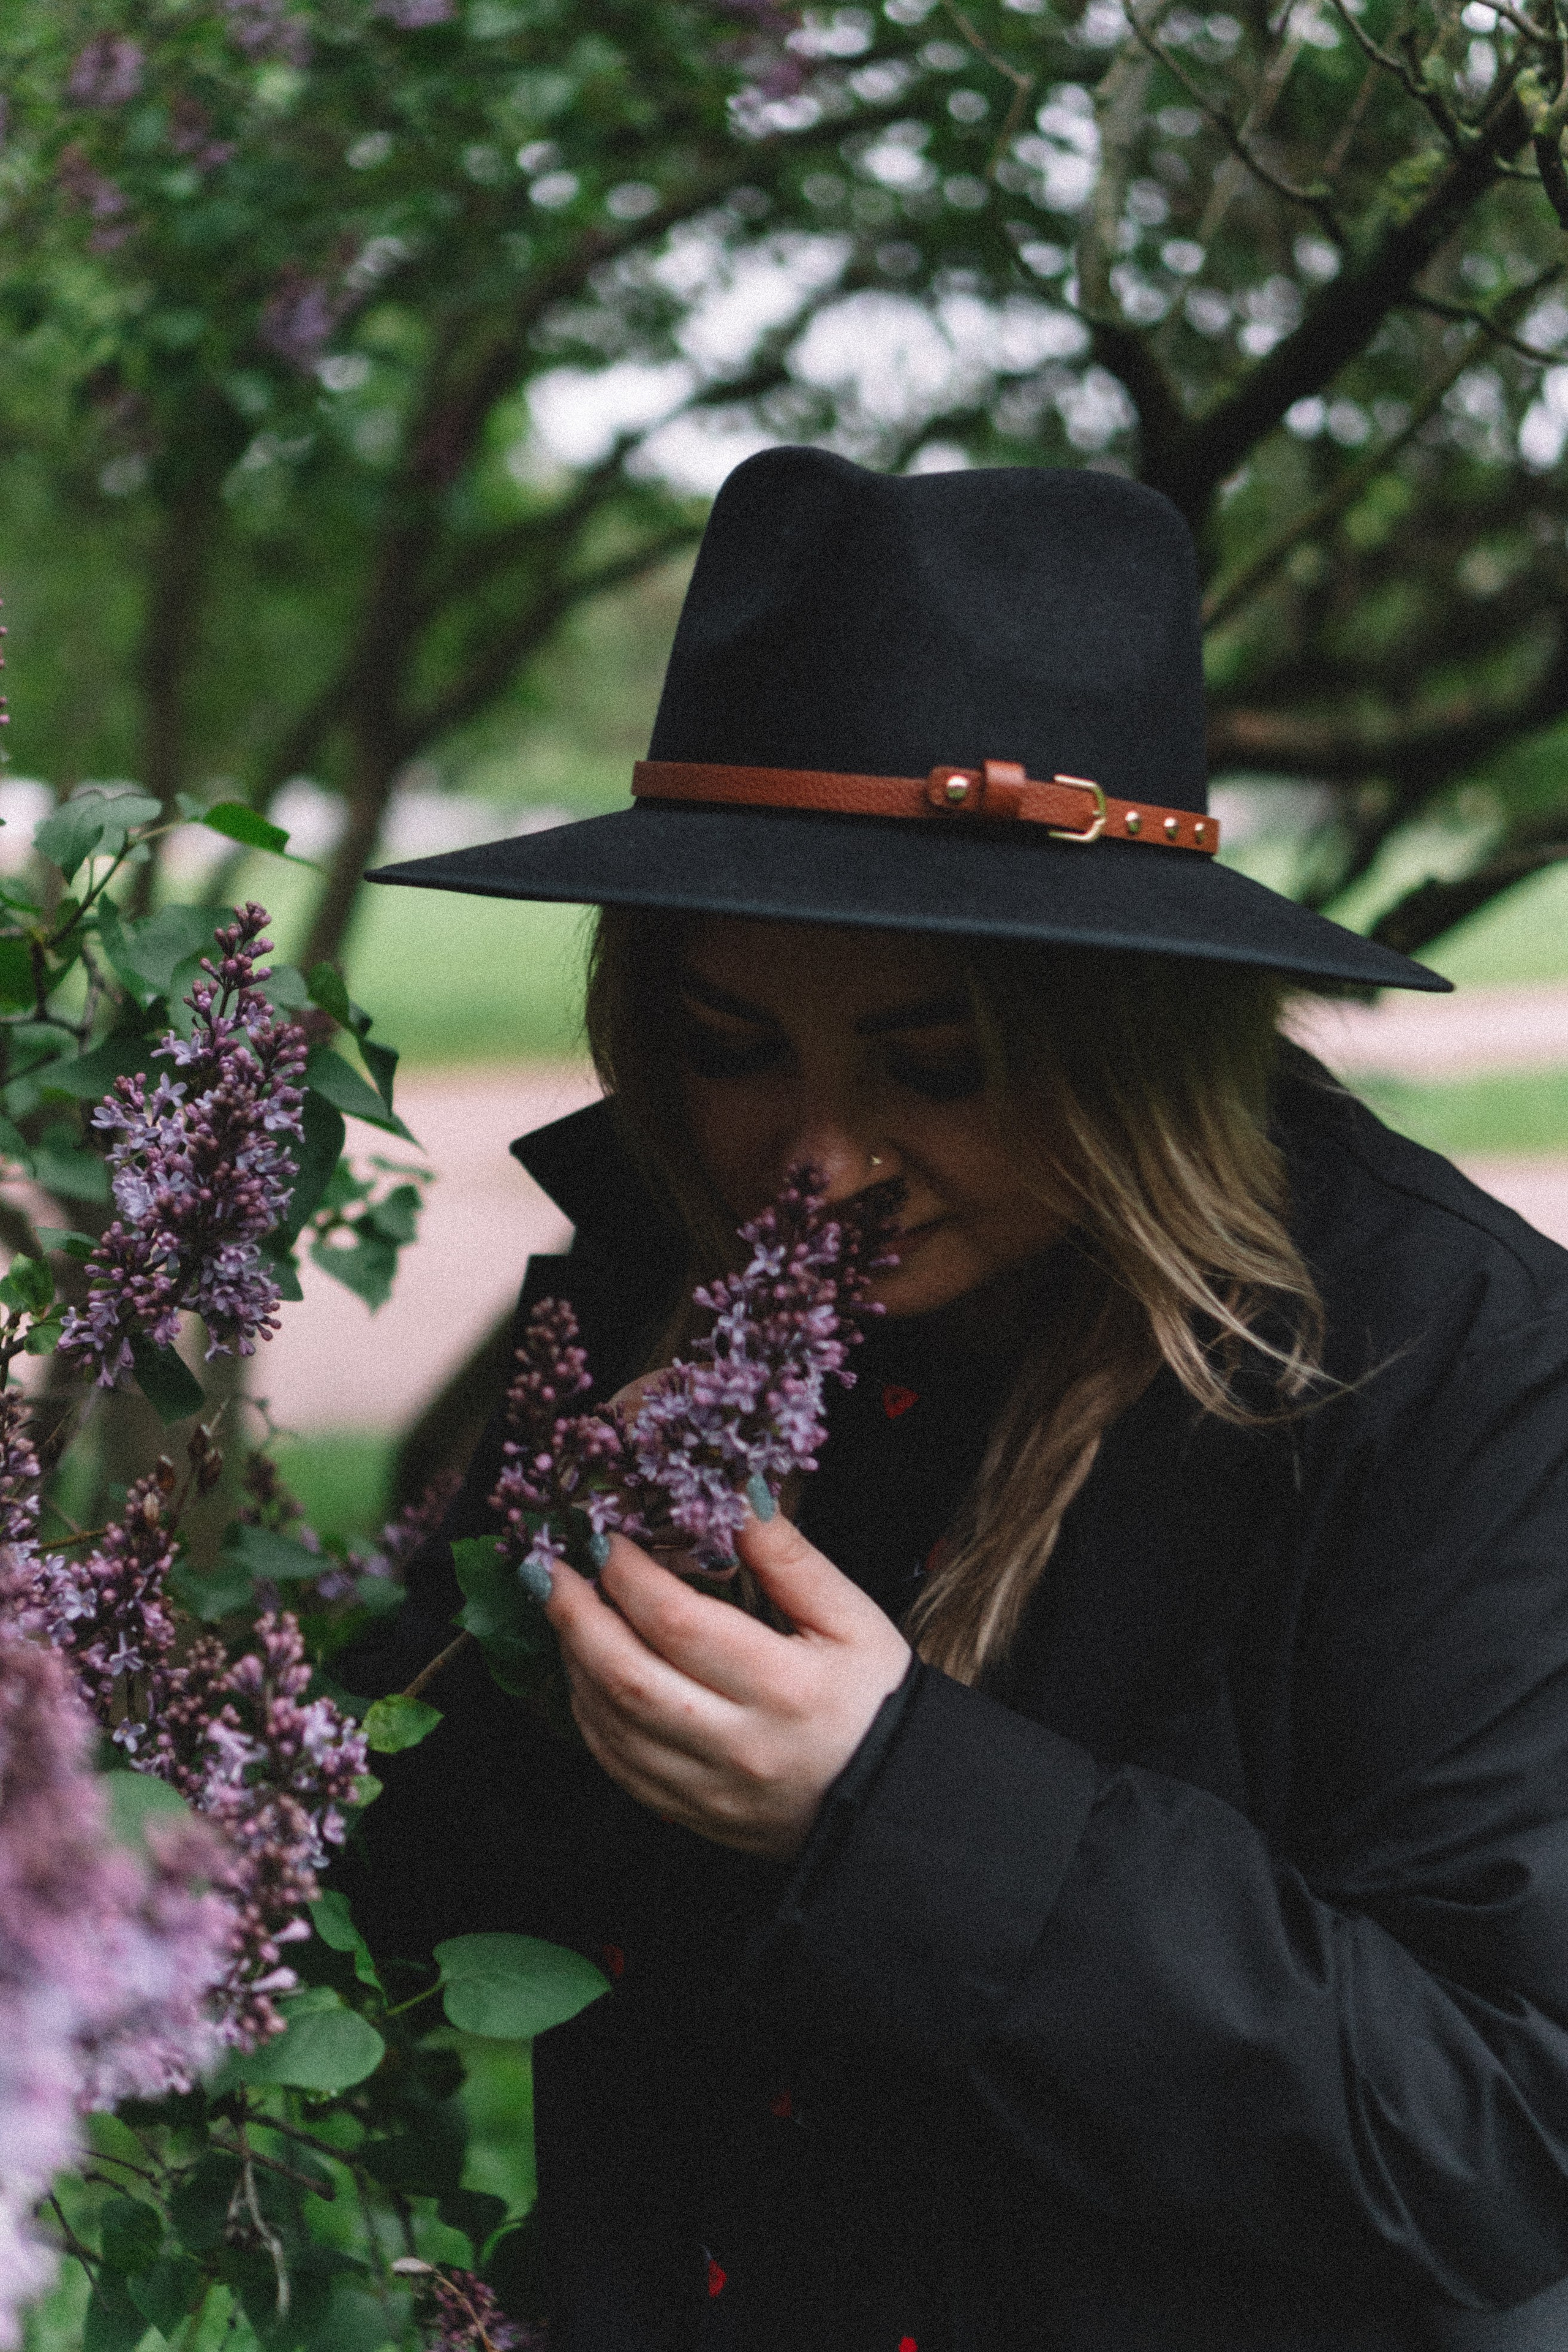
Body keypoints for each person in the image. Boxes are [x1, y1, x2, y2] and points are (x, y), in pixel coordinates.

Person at [344, 450, 1568, 2351]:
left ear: (1132, 1033)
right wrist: (527, 1632)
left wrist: (894, 1810)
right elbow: (416, 1882)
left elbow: (1491, 2131)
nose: (819, 1164)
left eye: (940, 1062)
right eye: (733, 1048)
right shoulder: (662, 1259)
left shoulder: (1443, 1357)